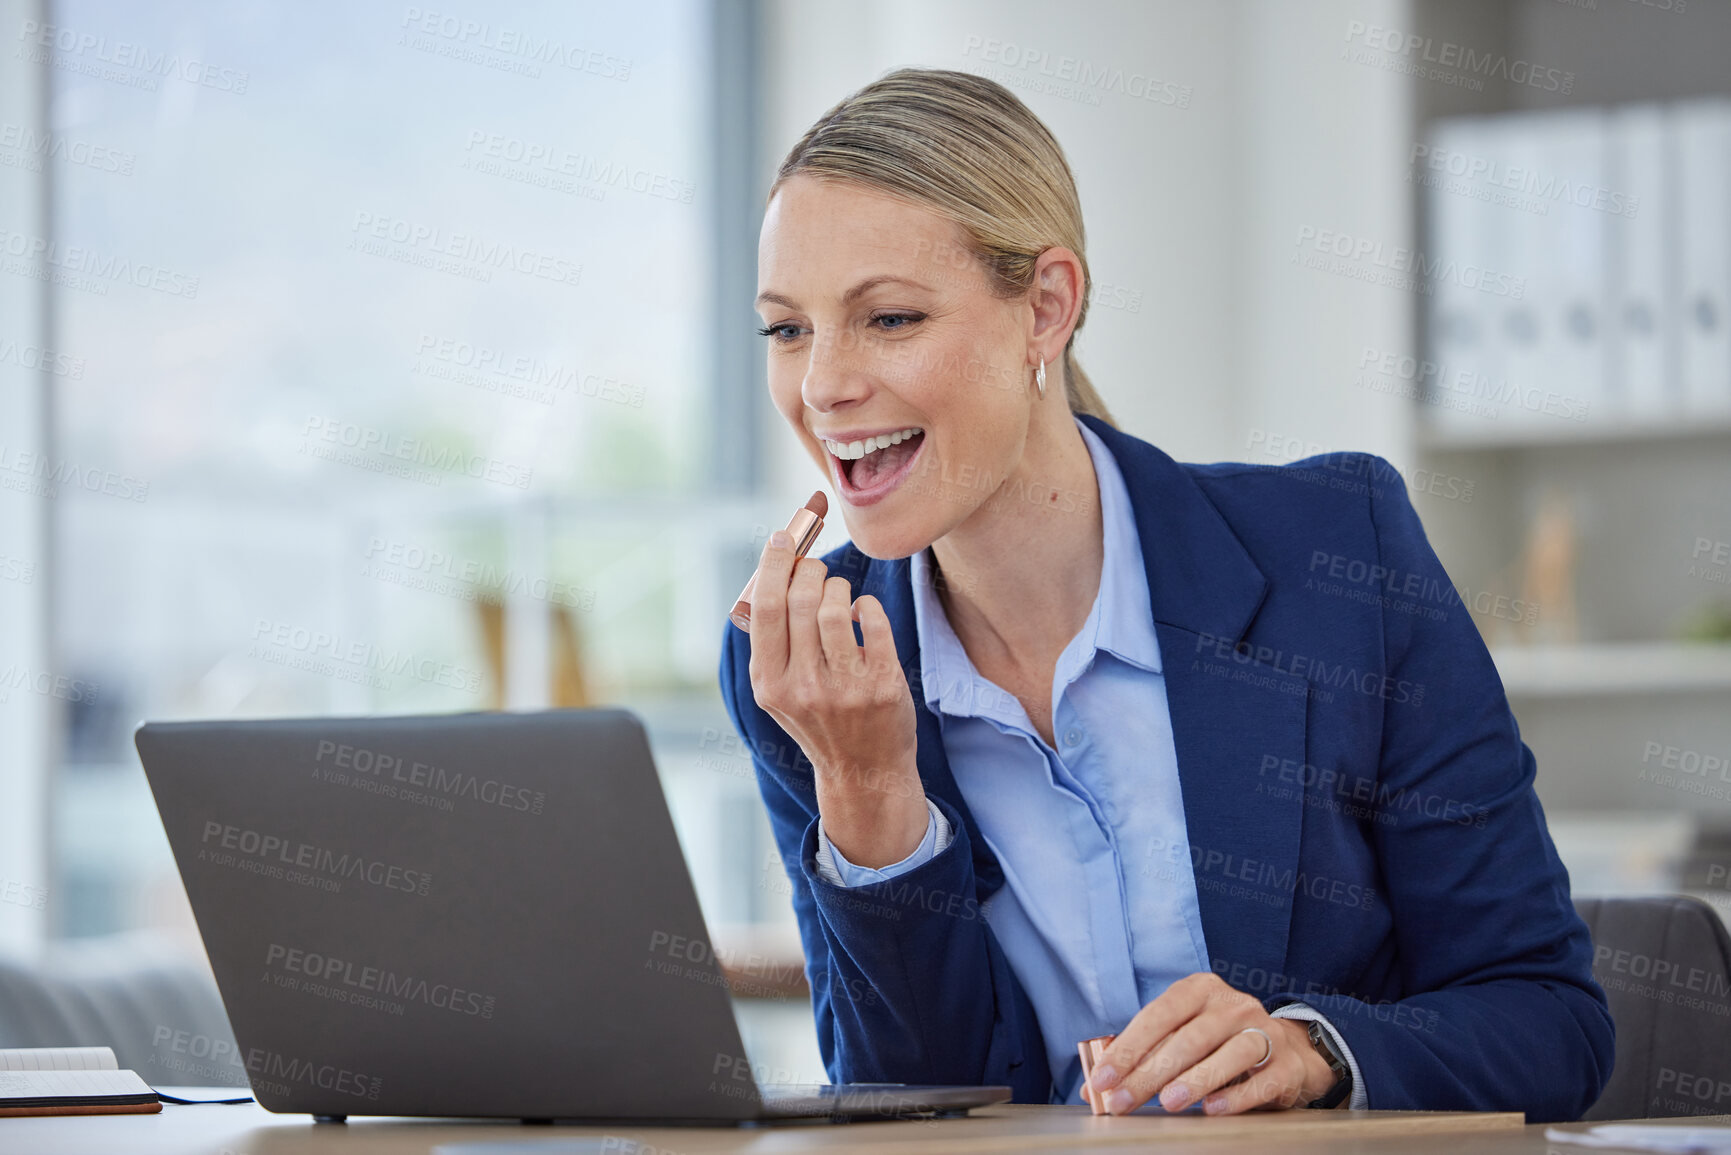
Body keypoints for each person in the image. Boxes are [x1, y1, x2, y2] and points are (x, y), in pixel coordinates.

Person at [717, 67, 1612, 1121]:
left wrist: (1316, 1052)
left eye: (890, 319)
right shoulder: (804, 670)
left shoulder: (1340, 560)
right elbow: (908, 1109)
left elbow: (1551, 1018)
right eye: (787, 330)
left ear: (1045, 307)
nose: (822, 386)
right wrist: (869, 791)